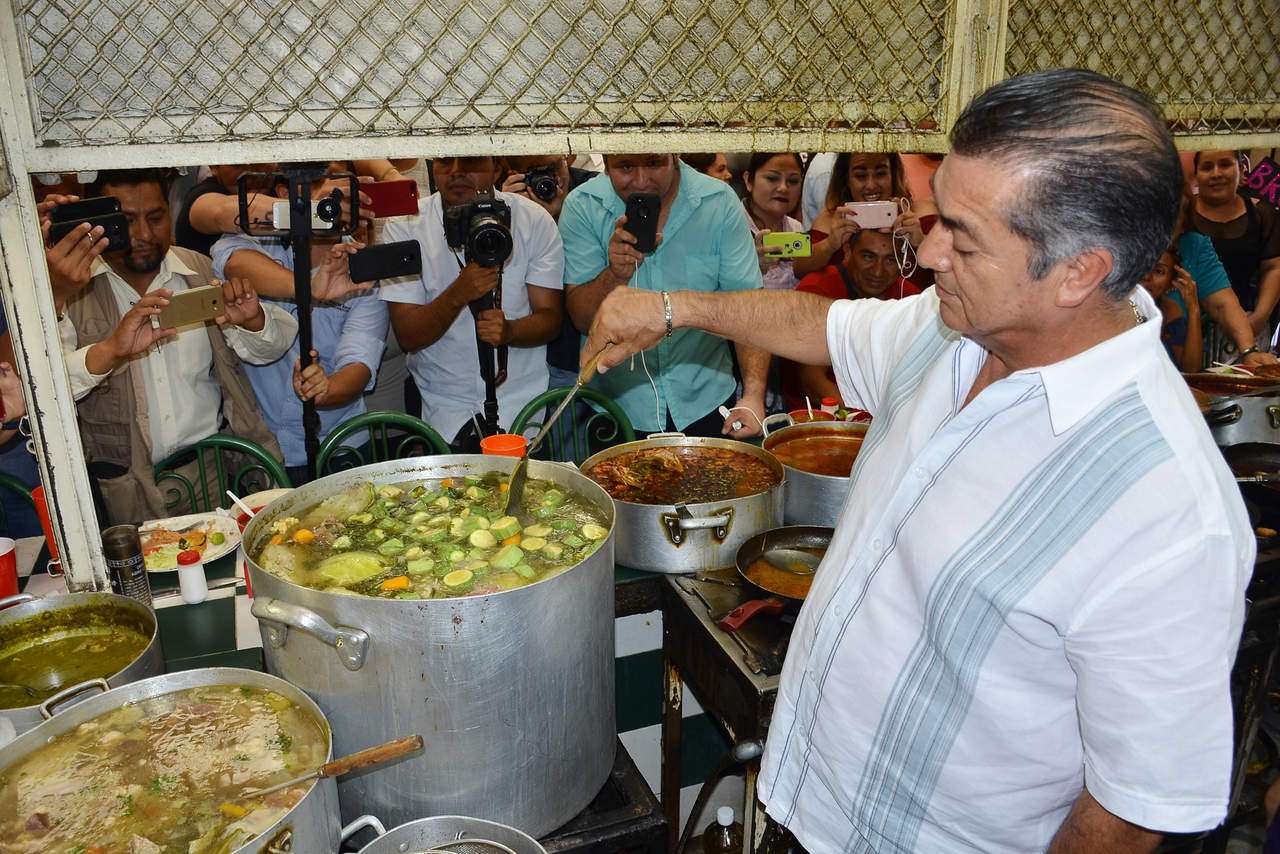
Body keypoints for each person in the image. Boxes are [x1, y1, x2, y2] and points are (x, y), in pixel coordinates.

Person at [580, 68, 1251, 853]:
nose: (928, 252)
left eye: (961, 236)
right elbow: (823, 324)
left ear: (1079, 270)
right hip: (806, 803)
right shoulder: (954, 328)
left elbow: (1129, 812)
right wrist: (673, 308)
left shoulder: (1168, 510)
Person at [58, 169, 295, 523]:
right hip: (123, 487)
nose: (143, 234)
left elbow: (267, 351)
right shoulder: (70, 289)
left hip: (209, 472)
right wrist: (110, 351)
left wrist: (251, 320)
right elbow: (45, 391)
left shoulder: (198, 270)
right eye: (127, 222)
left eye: (155, 218)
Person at [560, 153, 767, 437]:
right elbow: (582, 319)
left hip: (707, 399)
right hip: (617, 409)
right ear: (605, 164)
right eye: (626, 166)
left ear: (675, 154)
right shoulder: (583, 205)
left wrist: (753, 395)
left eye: (654, 163)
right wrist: (615, 274)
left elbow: (749, 306)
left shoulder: (717, 201)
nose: (641, 181)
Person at [212, 164, 388, 485]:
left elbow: (359, 364)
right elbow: (230, 259)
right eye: (320, 181)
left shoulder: (361, 270)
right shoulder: (255, 243)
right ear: (283, 193)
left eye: (342, 183)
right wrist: (308, 287)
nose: (334, 194)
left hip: (340, 445)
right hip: (261, 447)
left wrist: (326, 389)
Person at [380, 156, 564, 451]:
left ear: (497, 167)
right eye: (444, 161)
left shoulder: (533, 220)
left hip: (523, 409)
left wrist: (510, 332)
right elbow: (408, 336)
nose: (456, 172)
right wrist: (459, 292)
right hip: (440, 413)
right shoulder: (405, 224)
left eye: (470, 161)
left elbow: (551, 318)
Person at [787, 229, 920, 408]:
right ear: (848, 251)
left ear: (904, 260)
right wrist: (866, 419)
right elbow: (812, 382)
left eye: (890, 260)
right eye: (868, 257)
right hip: (822, 414)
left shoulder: (912, 298)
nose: (878, 272)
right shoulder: (817, 291)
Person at [792, 152, 935, 282]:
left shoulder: (917, 214)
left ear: (893, 174)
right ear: (847, 179)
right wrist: (830, 244)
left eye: (880, 174)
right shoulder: (833, 220)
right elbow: (799, 269)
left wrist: (920, 242)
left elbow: (946, 265)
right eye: (860, 176)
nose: (871, 185)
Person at [1191, 149, 1280, 350]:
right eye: (1207, 167)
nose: (1216, 173)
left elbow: (1274, 267)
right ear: (1196, 175)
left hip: (1249, 323)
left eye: (1225, 165)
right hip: (1189, 328)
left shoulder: (1262, 213)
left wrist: (1258, 318)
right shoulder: (1183, 215)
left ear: (1241, 170)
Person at [742, 152, 805, 291]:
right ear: (748, 181)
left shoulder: (796, 228)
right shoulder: (729, 226)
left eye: (793, 181)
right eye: (772, 178)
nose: (783, 188)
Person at [1138, 247, 1201, 371]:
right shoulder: (1110, 303)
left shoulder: (1167, 309)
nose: (1147, 276)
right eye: (1143, 266)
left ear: (1170, 285)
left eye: (1159, 271)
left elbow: (1191, 369)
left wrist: (1193, 309)